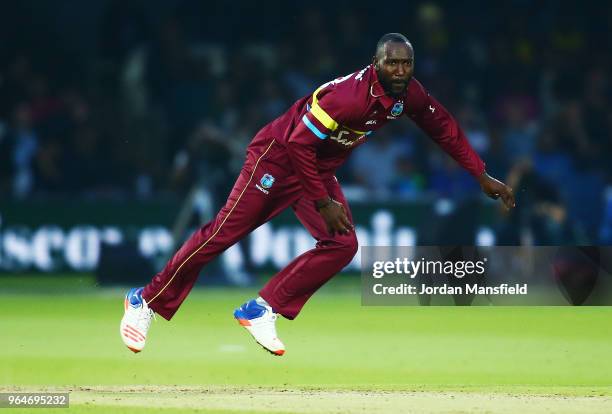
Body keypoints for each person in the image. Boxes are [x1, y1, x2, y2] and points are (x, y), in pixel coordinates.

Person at [120, 33, 515, 355]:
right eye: (392, 63)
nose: (399, 70)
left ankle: (260, 309)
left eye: (406, 63)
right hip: (277, 160)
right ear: (376, 63)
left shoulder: (407, 94)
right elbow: (296, 143)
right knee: (224, 233)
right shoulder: (348, 98)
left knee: (342, 245)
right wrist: (323, 201)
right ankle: (144, 301)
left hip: (316, 168)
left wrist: (480, 174)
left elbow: (442, 125)